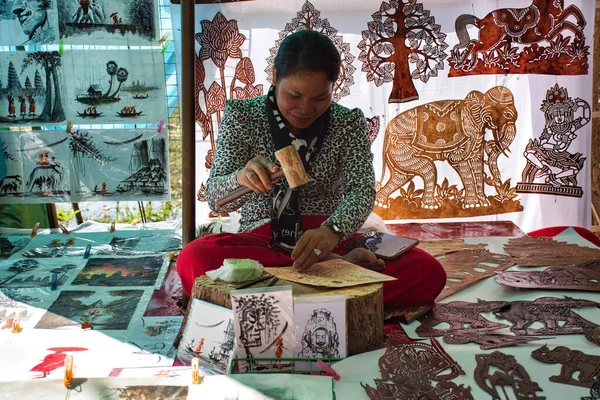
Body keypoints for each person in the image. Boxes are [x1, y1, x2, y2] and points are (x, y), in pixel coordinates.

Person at [176, 30, 446, 310]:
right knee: (192, 259)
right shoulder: (243, 116)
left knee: (428, 272)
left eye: (320, 97)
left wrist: (333, 230)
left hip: (328, 240)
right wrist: (241, 178)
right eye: (294, 95)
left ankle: (279, 296)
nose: (305, 109)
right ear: (275, 76)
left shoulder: (347, 123)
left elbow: (362, 190)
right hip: (263, 241)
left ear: (334, 86)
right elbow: (215, 198)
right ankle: (332, 282)